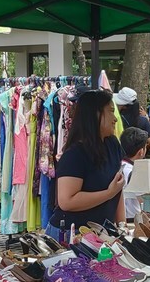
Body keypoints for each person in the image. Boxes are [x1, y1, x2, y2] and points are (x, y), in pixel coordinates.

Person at [49, 89, 125, 242]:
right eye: (110, 111)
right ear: (96, 114)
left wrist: (121, 226)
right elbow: (66, 201)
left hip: (102, 231)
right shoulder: (75, 154)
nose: (115, 118)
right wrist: (108, 194)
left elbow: (118, 187)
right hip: (72, 234)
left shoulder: (113, 144)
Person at [120, 126, 149, 220]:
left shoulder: (117, 165)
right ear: (141, 151)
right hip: (132, 219)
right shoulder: (135, 172)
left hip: (119, 218)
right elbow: (144, 199)